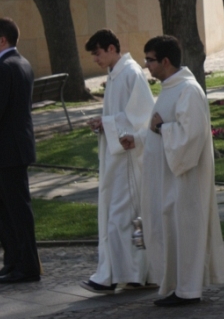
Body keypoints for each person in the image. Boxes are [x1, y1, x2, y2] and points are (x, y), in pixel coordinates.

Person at [121, 36, 224, 306]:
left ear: (165, 61)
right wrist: (139, 138)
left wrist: (160, 129)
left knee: (185, 231)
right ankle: (175, 285)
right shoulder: (170, 88)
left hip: (184, 180)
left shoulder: (188, 91)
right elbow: (160, 129)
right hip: (165, 178)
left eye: (150, 59)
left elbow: (189, 138)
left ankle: (188, 290)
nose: (146, 65)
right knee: (168, 231)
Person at [80, 29, 155, 294]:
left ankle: (125, 273)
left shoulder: (131, 73)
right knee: (118, 216)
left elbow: (144, 116)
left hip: (128, 159)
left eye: (98, 53)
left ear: (112, 48)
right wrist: (104, 124)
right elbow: (122, 115)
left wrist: (108, 122)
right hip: (116, 157)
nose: (96, 59)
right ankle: (126, 272)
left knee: (124, 217)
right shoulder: (115, 75)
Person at [0, 18, 40, 284]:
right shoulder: (21, 63)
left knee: (16, 211)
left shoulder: (4, 67)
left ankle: (27, 266)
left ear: (2, 40)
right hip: (11, 149)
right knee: (5, 209)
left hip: (7, 151)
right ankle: (13, 261)